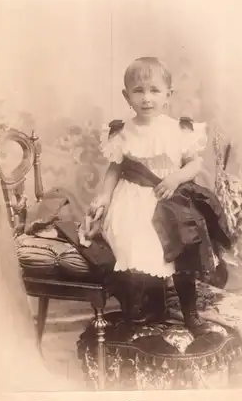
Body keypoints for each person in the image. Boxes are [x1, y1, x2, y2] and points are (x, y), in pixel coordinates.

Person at [82, 56, 212, 335]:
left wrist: (175, 177)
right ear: (126, 96)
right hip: (133, 201)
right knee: (138, 250)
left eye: (154, 90)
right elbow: (115, 168)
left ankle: (191, 313)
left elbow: (194, 163)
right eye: (138, 91)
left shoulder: (178, 129)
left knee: (179, 253)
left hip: (169, 199)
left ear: (168, 95)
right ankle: (147, 310)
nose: (147, 98)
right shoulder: (122, 132)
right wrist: (103, 196)